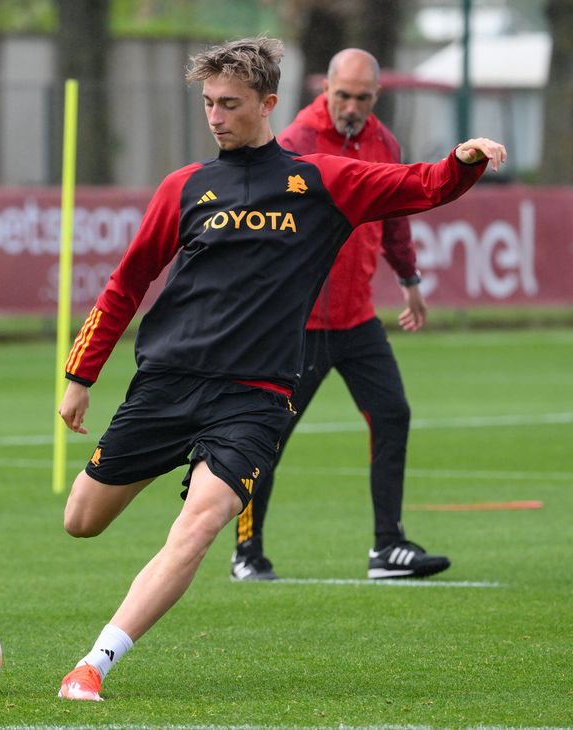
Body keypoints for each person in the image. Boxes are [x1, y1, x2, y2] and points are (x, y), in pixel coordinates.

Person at [54, 36, 505, 702]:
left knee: (203, 522)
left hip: (254, 398)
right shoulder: (185, 187)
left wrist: (464, 161)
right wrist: (81, 373)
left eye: (230, 105)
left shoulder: (322, 182)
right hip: (167, 386)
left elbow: (420, 186)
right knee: (81, 520)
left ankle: (94, 664)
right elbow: (127, 283)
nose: (215, 117)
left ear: (267, 104)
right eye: (207, 103)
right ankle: (176, 457)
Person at [230, 48, 450, 583]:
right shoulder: (296, 142)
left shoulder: (384, 143)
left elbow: (396, 217)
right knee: (266, 437)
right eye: (343, 94)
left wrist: (410, 281)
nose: (351, 105)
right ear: (324, 88)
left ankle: (387, 548)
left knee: (392, 414)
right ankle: (247, 552)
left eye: (363, 97)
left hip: (355, 320)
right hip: (296, 327)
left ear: (377, 96)